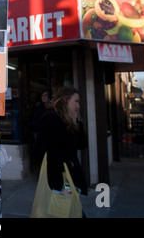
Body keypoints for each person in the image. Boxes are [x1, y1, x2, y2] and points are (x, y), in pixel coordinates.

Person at [34, 86, 88, 215]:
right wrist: (65, 164)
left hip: (69, 178)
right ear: (65, 100)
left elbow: (82, 144)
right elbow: (41, 150)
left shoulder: (68, 119)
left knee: (68, 210)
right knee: (65, 211)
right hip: (60, 179)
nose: (78, 106)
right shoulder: (51, 117)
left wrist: (77, 122)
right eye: (76, 101)